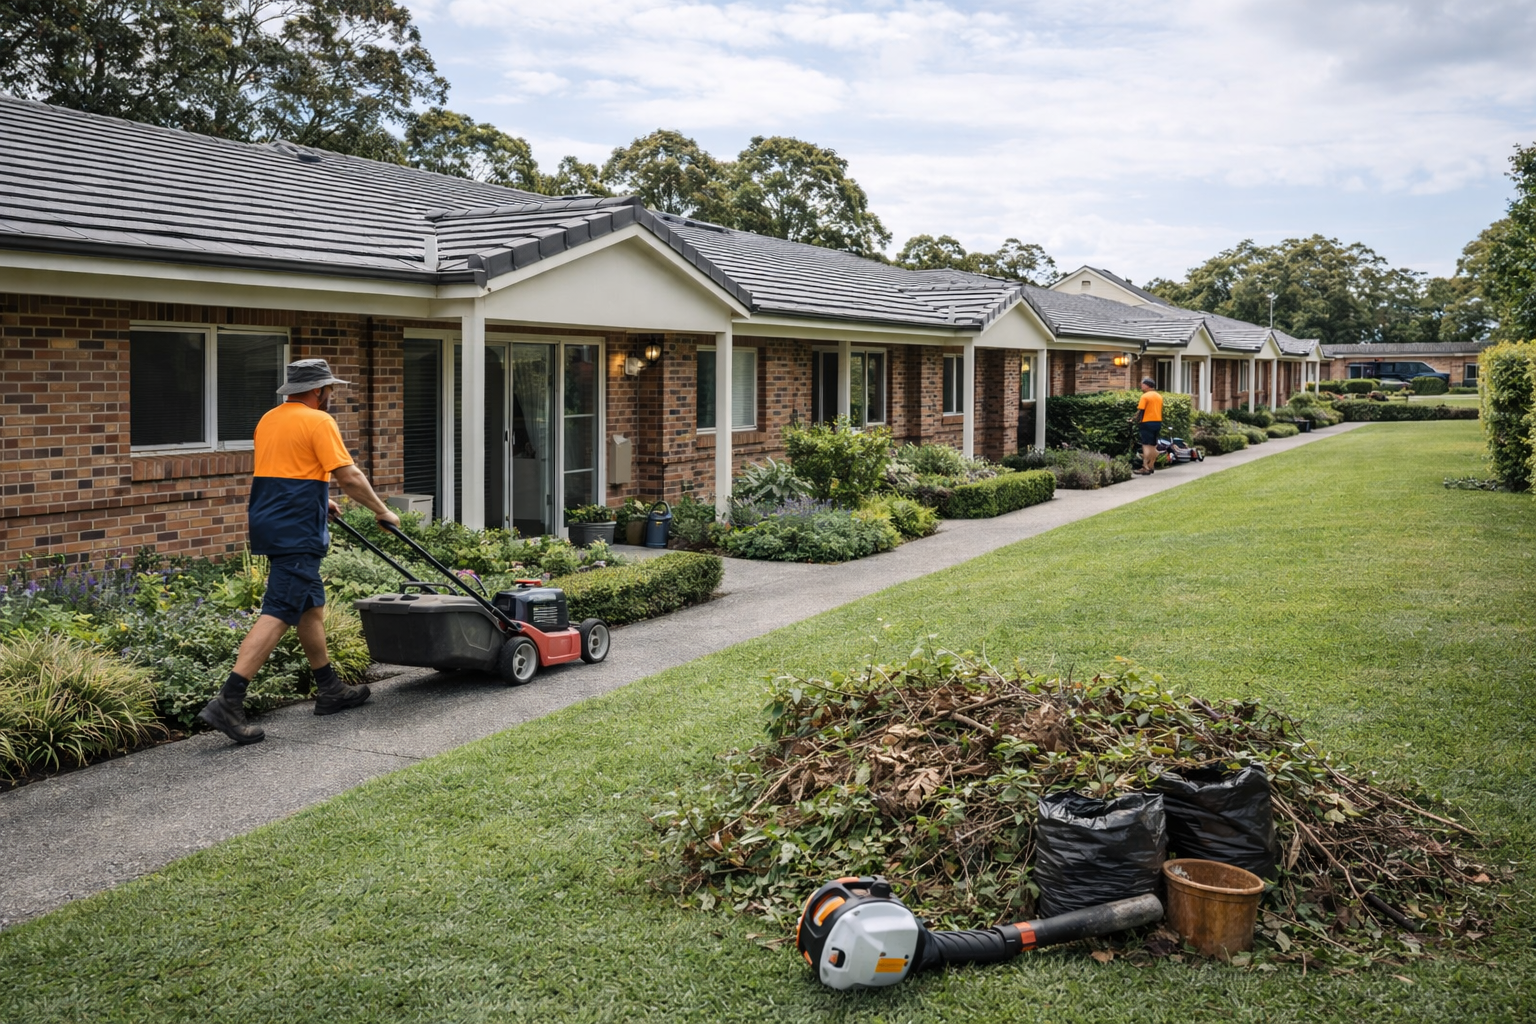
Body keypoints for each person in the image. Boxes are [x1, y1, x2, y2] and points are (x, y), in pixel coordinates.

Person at [197, 359, 400, 745]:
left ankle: (330, 690)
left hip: (272, 519)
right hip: (297, 530)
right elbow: (349, 475)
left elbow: (287, 470)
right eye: (329, 389)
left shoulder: (269, 419)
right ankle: (228, 700)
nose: (331, 395)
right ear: (318, 390)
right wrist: (381, 509)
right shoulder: (319, 421)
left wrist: (321, 498)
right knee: (278, 611)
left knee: (310, 606)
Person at [1130, 377, 1164, 476]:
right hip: (1157, 422)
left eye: (1142, 384)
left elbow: (1141, 410)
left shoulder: (1145, 396)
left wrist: (1134, 419)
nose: (1141, 386)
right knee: (1153, 445)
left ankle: (1145, 467)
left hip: (1147, 422)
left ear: (1147, 385)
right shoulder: (1159, 396)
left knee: (1146, 445)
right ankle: (1151, 465)